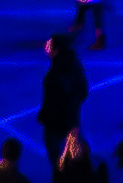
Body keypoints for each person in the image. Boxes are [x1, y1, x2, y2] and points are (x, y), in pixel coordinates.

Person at [39, 32, 91, 162]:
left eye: (50, 44)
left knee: (57, 156)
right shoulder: (74, 65)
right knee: (75, 151)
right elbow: (83, 92)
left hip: (57, 122)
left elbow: (53, 100)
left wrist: (46, 115)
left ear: (57, 49)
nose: (46, 46)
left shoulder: (55, 75)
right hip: (70, 120)